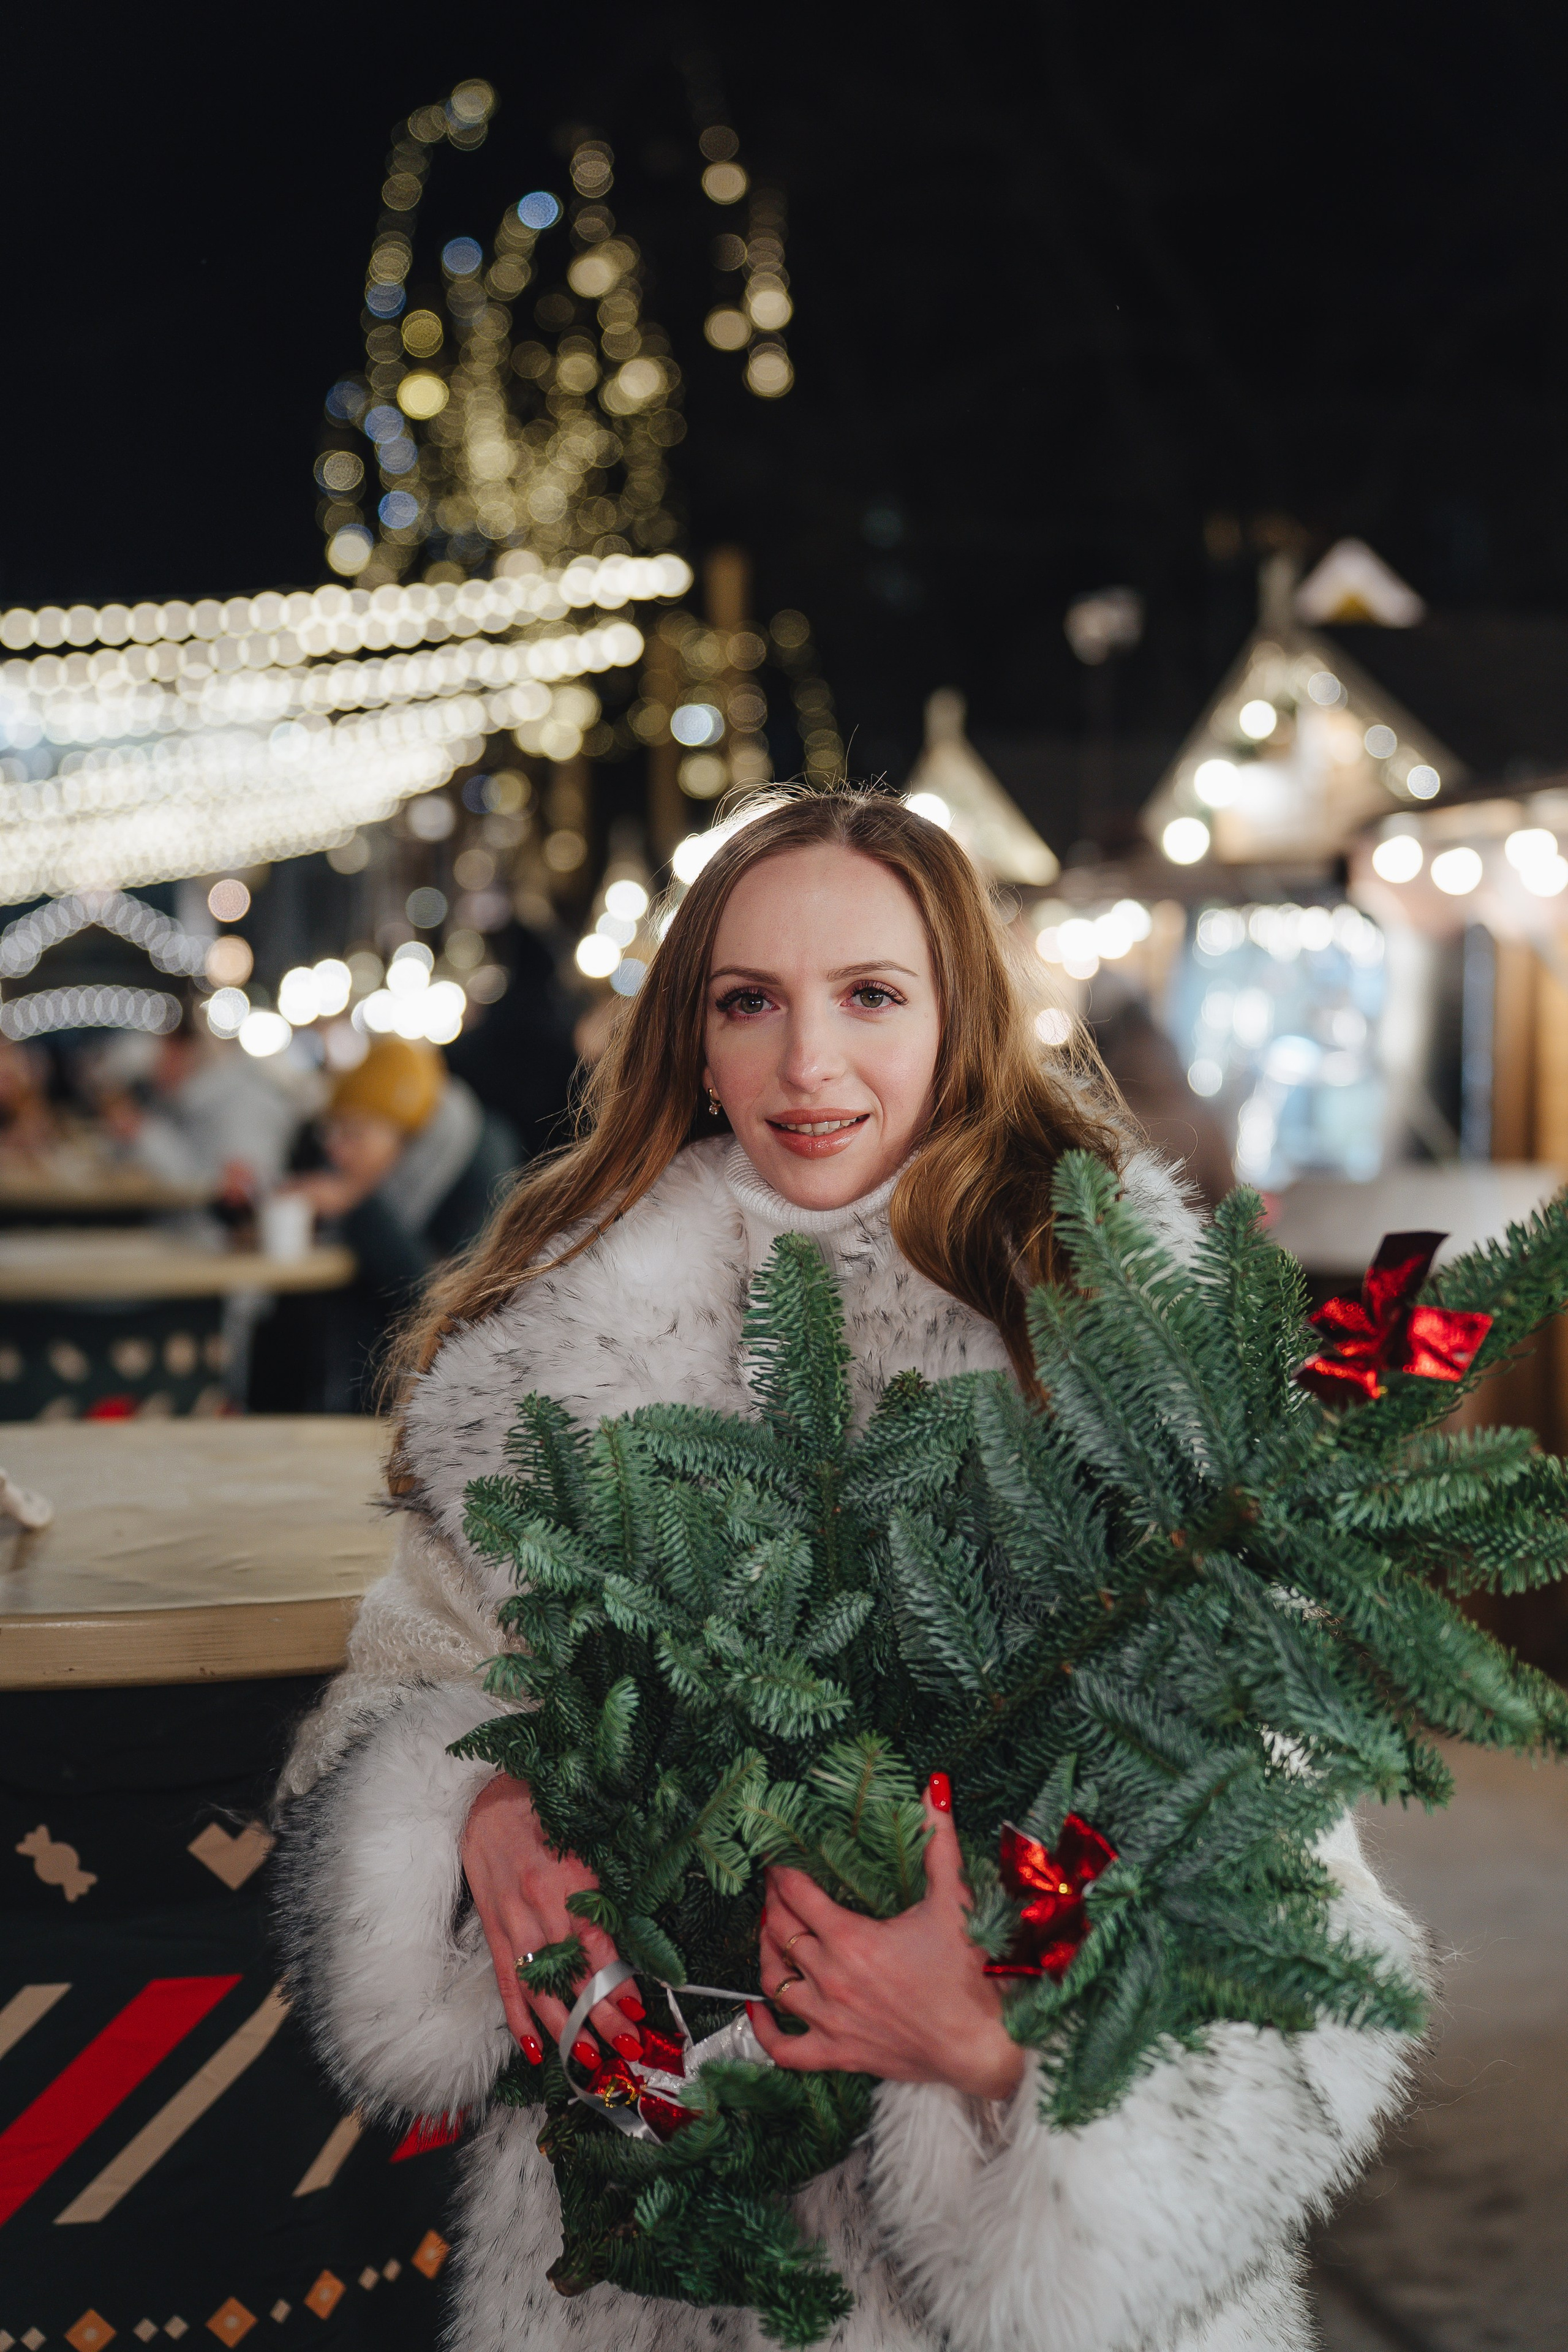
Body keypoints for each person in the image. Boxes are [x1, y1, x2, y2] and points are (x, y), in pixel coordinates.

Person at [276, 790, 1423, 2352]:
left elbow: (1300, 1909)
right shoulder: (547, 1369)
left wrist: (999, 2048)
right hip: (652, 2270)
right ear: (694, 1035)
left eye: (869, 996)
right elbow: (393, 1693)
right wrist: (462, 1808)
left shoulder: (1122, 1366)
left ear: (962, 1022)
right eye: (751, 1002)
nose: (806, 1066)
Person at [272, 1037, 518, 1410]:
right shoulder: (367, 1169)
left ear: (406, 1138)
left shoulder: (480, 1172)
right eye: (332, 1131)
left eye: (354, 1133)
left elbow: (442, 1305)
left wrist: (356, 1206)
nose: (336, 1150)